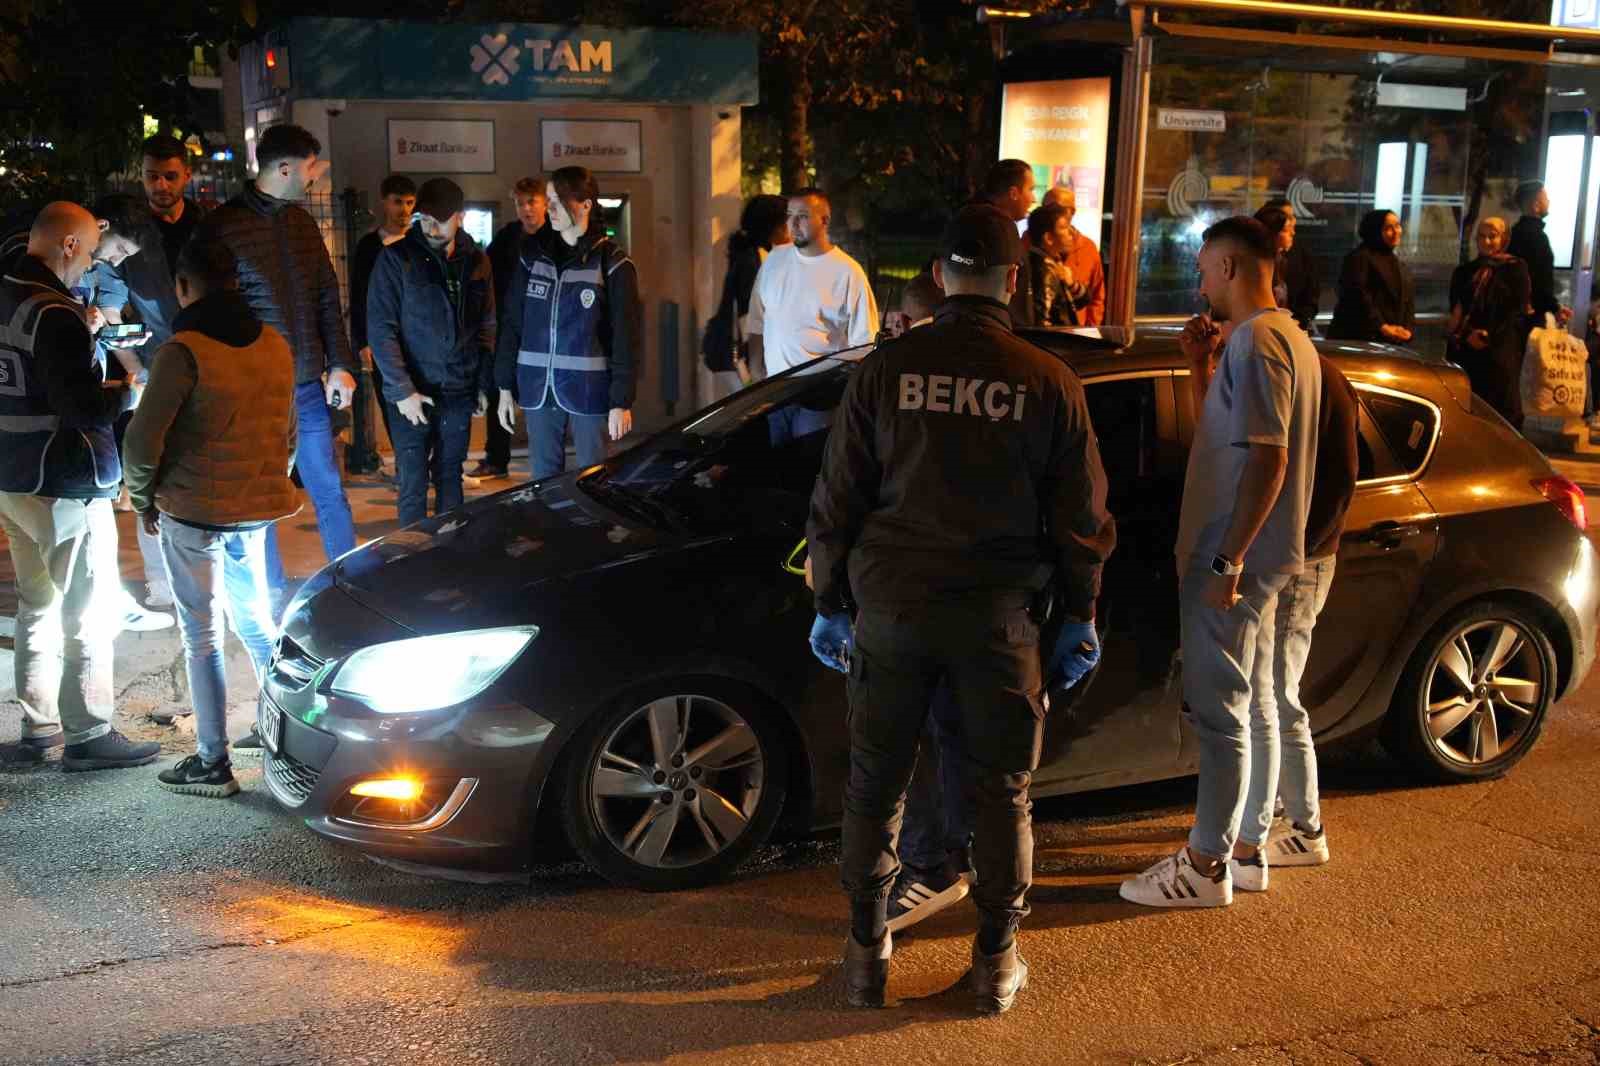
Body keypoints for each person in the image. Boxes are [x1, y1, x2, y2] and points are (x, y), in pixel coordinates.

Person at [807, 203, 1115, 1013]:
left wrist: (829, 598)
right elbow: (1081, 518)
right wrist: (1080, 613)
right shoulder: (1047, 379)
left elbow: (837, 495)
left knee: (876, 785)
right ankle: (993, 962)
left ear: (940, 276)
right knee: (1001, 790)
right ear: (1012, 281)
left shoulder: (886, 369)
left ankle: (867, 954)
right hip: (997, 621)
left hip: (892, 610)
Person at [1120, 215, 1320, 909]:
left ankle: (1204, 867)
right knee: (1252, 702)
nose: (1201, 280)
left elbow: (1270, 456)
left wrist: (1226, 559)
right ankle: (1245, 851)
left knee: (1222, 714)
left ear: (1232, 268)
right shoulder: (1285, 337)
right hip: (1252, 557)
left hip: (1231, 558)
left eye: (1205, 268)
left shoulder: (1261, 342)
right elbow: (1229, 437)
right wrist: (1199, 366)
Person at [123, 236, 297, 798]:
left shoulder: (184, 351)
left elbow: (143, 441)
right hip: (256, 510)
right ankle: (279, 732)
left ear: (183, 286)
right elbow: (286, 434)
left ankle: (211, 762)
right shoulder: (275, 344)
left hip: (194, 511)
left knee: (202, 637)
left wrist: (144, 497)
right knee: (257, 624)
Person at [0, 202, 160, 770]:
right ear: (68, 245)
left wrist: (81, 332)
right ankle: (89, 733)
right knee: (88, 611)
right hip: (64, 479)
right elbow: (84, 407)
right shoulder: (52, 312)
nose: (91, 262)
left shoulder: (11, 292)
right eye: (90, 251)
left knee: (37, 606)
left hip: (13, 478)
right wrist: (130, 392)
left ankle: (38, 728)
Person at [194, 123, 358, 602]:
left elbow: (328, 295)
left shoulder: (301, 224)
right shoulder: (222, 228)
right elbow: (209, 310)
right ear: (284, 168)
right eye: (309, 168)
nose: (313, 178)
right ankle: (267, 595)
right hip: (254, 390)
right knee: (261, 498)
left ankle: (348, 583)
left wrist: (340, 363)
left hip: (306, 383)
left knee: (328, 487)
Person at [1230, 352, 1357, 887]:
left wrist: (1300, 549)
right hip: (1297, 552)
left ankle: (1305, 827)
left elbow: (1342, 476)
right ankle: (1291, 816)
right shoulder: (1303, 368)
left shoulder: (1315, 373)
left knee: (1277, 693)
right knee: (1273, 693)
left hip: (1301, 557)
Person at [495, 165, 640, 479]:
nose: (551, 208)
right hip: (537, 389)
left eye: (559, 200)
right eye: (549, 200)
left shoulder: (612, 262)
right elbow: (512, 321)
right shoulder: (532, 256)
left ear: (586, 204)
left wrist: (621, 400)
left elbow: (626, 336)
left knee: (595, 479)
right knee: (543, 484)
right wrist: (504, 385)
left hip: (589, 392)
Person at [368, 178, 496, 525]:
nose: (430, 227)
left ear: (460, 217)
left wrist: (483, 384)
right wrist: (403, 389)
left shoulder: (477, 262)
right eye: (424, 218)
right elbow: (381, 329)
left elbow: (486, 327)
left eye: (439, 219)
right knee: (412, 481)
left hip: (458, 387)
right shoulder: (396, 260)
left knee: (450, 475)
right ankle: (408, 562)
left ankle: (449, 555)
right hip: (412, 391)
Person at [80, 194, 176, 631]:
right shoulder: (58, 261)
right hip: (69, 398)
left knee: (102, 500)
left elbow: (115, 319)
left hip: (102, 388)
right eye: (117, 249)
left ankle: (108, 596)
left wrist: (139, 377)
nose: (117, 261)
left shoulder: (105, 272)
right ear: (100, 227)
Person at [745, 188, 877, 385]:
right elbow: (757, 319)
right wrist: (756, 369)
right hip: (773, 391)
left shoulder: (848, 272)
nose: (794, 224)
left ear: (825, 221)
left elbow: (866, 342)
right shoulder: (773, 261)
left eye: (803, 216)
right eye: (789, 216)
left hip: (819, 393)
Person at [475, 177, 548, 482]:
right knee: (497, 390)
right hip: (508, 326)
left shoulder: (555, 235)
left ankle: (544, 461)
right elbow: (486, 273)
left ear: (545, 202)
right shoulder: (507, 237)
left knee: (540, 398)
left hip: (543, 330)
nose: (526, 208)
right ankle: (497, 459)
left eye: (532, 201)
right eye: (521, 203)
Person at [347, 174, 417, 476]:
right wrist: (363, 340)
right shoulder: (369, 247)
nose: (404, 209)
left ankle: (424, 464)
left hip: (419, 338)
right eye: (398, 202)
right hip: (384, 340)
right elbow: (359, 295)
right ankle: (406, 464)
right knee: (392, 400)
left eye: (410, 203)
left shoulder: (420, 242)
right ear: (384, 202)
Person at [1448, 217, 1533, 424]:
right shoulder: (1464, 272)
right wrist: (1469, 335)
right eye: (1482, 236)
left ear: (1504, 238)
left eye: (1492, 236)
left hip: (1500, 350)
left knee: (1500, 413)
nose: (1486, 241)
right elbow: (1456, 310)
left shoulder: (1515, 268)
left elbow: (1516, 311)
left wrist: (1489, 336)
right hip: (1467, 350)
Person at [703, 194, 790, 394]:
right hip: (739, 355)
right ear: (773, 226)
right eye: (788, 221)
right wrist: (757, 363)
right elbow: (748, 315)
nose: (792, 229)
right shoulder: (753, 259)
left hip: (733, 353)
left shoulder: (753, 255)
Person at [1328, 209, 1414, 345]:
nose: (1396, 231)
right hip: (1360, 340)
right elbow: (1358, 296)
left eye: (1397, 226)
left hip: (1390, 341)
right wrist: (1382, 327)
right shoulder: (1358, 258)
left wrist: (1407, 329)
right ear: (1375, 230)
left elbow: (1407, 300)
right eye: (1388, 228)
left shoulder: (1397, 262)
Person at [979, 159, 1037, 327]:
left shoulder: (997, 227)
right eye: (1031, 189)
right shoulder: (992, 231)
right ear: (1013, 193)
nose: (1033, 199)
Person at [1040, 185, 1106, 326]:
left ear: (1072, 212)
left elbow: (1097, 296)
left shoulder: (1088, 247)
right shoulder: (1027, 244)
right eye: (1046, 207)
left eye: (1056, 208)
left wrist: (1090, 332)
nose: (1049, 213)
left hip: (1077, 334)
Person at [1508, 180, 1571, 328]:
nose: (1549, 201)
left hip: (1514, 315)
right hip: (1530, 318)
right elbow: (1540, 281)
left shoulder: (1513, 234)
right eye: (1545, 197)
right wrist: (1554, 308)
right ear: (1536, 206)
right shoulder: (1537, 238)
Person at [1254, 200, 1319, 334]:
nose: (1292, 233)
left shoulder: (1284, 260)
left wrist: (1300, 321)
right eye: (1286, 230)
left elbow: (1311, 293)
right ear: (1272, 232)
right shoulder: (1255, 266)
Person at [1026, 203, 1077, 326]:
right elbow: (1042, 320)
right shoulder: (1045, 269)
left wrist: (1070, 283)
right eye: (1064, 227)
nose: (1072, 233)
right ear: (1048, 238)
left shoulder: (1048, 261)